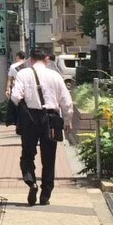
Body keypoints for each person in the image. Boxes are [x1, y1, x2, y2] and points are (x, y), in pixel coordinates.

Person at [9, 49, 73, 206]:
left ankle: (31, 182)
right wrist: (67, 120)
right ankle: (45, 194)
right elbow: (66, 101)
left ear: (31, 60)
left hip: (29, 118)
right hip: (50, 119)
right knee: (49, 157)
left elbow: (15, 96)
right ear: (47, 59)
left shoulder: (23, 74)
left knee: (27, 154)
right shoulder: (55, 75)